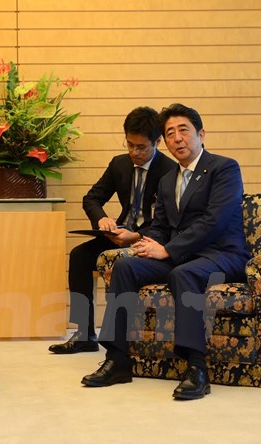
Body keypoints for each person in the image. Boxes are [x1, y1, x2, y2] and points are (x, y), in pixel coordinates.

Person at [81, 103, 250, 400]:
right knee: (125, 266)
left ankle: (196, 368)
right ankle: (118, 360)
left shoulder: (224, 168)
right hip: (182, 255)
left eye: (183, 130)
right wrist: (144, 242)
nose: (177, 138)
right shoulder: (168, 178)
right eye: (170, 133)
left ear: (200, 134)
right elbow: (160, 225)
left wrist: (168, 250)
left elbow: (215, 221)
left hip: (221, 253)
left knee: (184, 274)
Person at [49, 106, 176, 354]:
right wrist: (103, 220)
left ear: (157, 142)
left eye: (141, 147)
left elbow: (170, 221)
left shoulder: (170, 171)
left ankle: (118, 337)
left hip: (150, 239)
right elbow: (91, 198)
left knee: (121, 263)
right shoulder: (120, 164)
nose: (134, 152)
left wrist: (136, 236)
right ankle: (85, 333)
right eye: (129, 144)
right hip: (119, 234)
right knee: (79, 256)